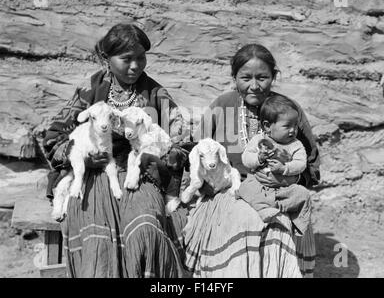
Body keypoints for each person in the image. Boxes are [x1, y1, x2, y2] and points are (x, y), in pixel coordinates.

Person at [43, 23, 186, 278]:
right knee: (97, 239)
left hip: (141, 176)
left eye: (141, 58)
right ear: (106, 58)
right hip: (92, 175)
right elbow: (54, 136)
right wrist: (84, 156)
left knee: (146, 230)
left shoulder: (156, 93)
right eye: (126, 59)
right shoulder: (90, 90)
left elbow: (181, 143)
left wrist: (154, 155)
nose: (135, 66)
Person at [184, 43, 320, 277]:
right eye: (246, 78)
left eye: (263, 78)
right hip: (229, 191)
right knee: (246, 220)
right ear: (234, 77)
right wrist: (208, 185)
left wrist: (290, 176)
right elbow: (195, 151)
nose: (254, 86)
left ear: (274, 77)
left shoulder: (288, 110)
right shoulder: (222, 105)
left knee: (277, 223)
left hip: (279, 190)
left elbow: (312, 162)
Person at [238, 94, 312, 236]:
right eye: (287, 126)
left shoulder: (295, 145)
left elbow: (301, 163)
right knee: (246, 188)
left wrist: (285, 168)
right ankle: (264, 209)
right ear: (267, 126)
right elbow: (246, 158)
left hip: (283, 188)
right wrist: (258, 158)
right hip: (259, 184)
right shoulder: (259, 140)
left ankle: (298, 223)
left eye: (295, 125)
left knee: (303, 195)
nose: (293, 130)